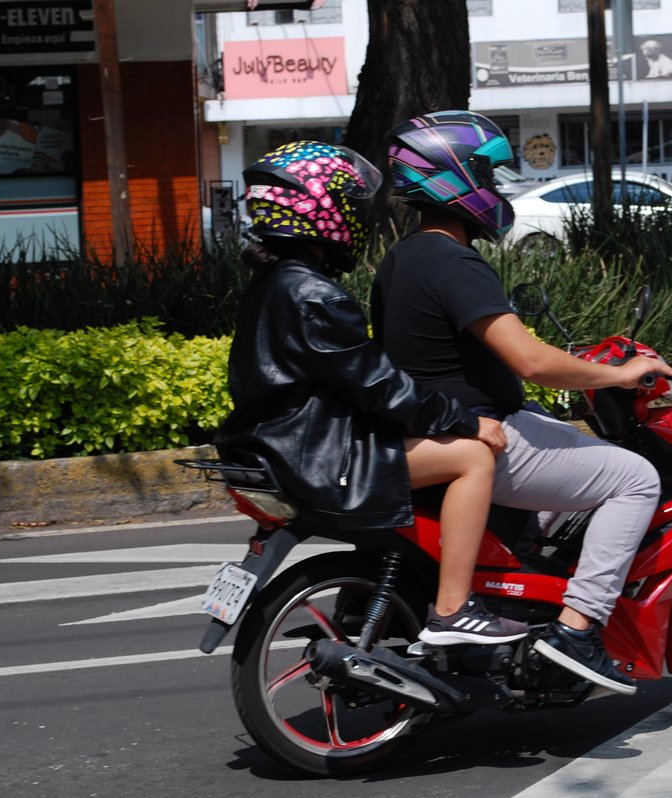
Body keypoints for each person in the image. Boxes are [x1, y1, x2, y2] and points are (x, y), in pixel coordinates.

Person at [372, 111, 672, 693]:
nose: (495, 187)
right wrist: (621, 374)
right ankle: (578, 627)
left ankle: (527, 586)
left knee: (561, 439)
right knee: (634, 478)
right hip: (478, 434)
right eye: (486, 173)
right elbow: (531, 362)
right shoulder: (456, 262)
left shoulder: (402, 259)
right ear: (456, 178)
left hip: (433, 426)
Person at [212, 140, 527, 647]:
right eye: (351, 204)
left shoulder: (275, 283)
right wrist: (467, 422)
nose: (358, 215)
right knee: (471, 459)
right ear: (322, 210)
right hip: (316, 457)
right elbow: (382, 386)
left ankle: (367, 600)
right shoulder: (313, 293)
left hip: (281, 446)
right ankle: (453, 608)